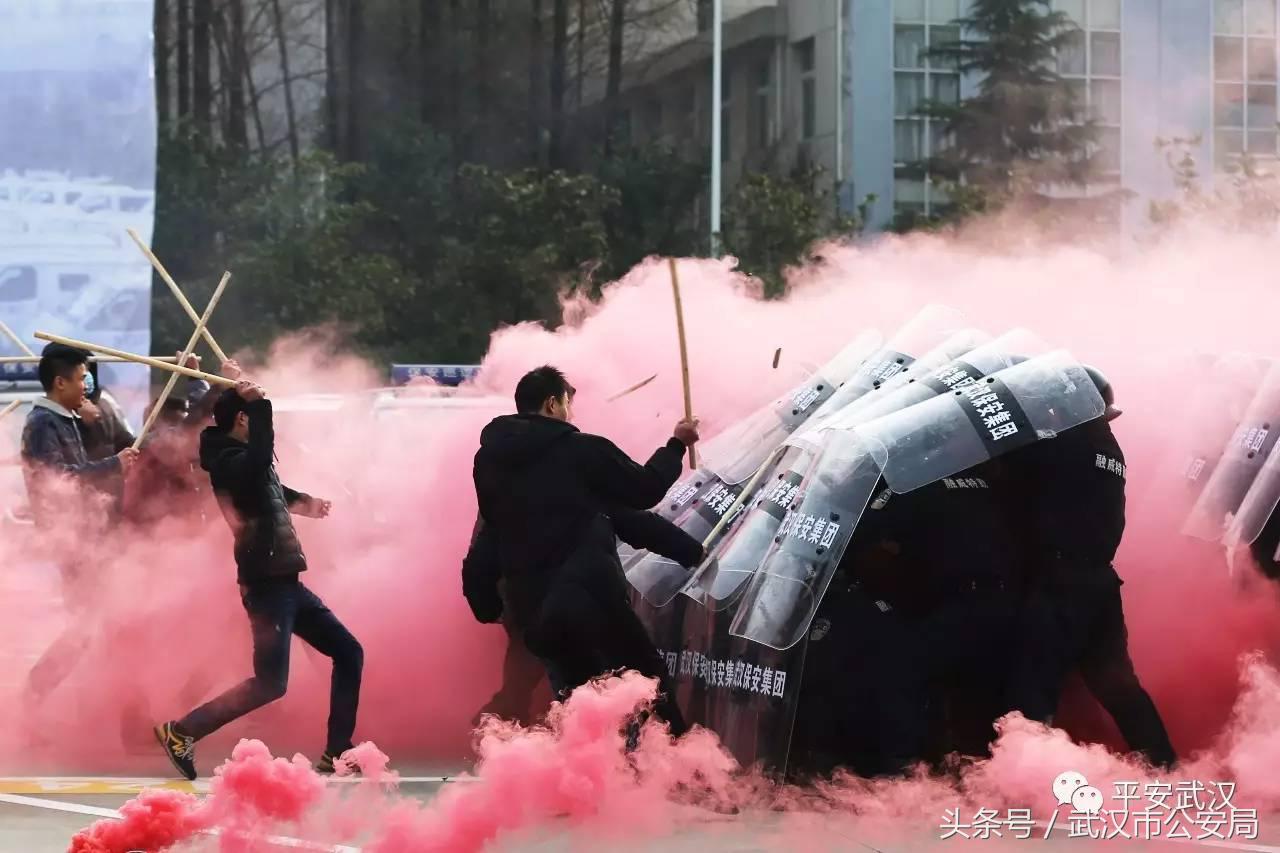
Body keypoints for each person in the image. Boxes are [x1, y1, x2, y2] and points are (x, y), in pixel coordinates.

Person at [464, 365, 700, 735]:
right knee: (647, 686)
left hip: (532, 608)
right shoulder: (583, 451)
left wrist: (486, 603)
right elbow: (643, 493)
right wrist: (676, 445)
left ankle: (578, 766)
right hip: (594, 597)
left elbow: (490, 533)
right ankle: (679, 759)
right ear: (552, 403)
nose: (571, 413)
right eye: (567, 403)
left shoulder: (489, 463)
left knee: (576, 704)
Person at [154, 380, 362, 781]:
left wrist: (308, 504)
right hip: (267, 585)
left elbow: (272, 488)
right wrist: (260, 403)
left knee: (348, 652)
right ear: (243, 419)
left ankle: (338, 750)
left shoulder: (243, 462)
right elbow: (261, 461)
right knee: (270, 684)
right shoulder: (229, 462)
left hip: (286, 581)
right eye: (255, 418)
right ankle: (182, 731)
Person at [1005, 367, 1177, 769]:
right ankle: (1165, 768)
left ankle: (1025, 778)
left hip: (1062, 583)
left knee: (1034, 687)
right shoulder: (1108, 448)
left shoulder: (1063, 445)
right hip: (1098, 582)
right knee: (1117, 685)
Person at [464, 507, 705, 726]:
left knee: (565, 686)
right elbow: (632, 519)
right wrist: (690, 551)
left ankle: (510, 725)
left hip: (536, 604)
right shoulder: (581, 477)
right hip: (592, 594)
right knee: (643, 677)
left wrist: (490, 606)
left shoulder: (503, 484)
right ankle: (669, 744)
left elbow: (483, 552)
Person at [19, 344, 138, 716]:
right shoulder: (43, 423)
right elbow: (60, 479)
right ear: (60, 382)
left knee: (98, 625)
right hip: (72, 540)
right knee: (90, 627)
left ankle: (103, 706)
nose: (86, 385)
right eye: (81, 378)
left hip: (87, 534)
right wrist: (113, 465)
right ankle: (34, 696)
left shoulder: (65, 419)